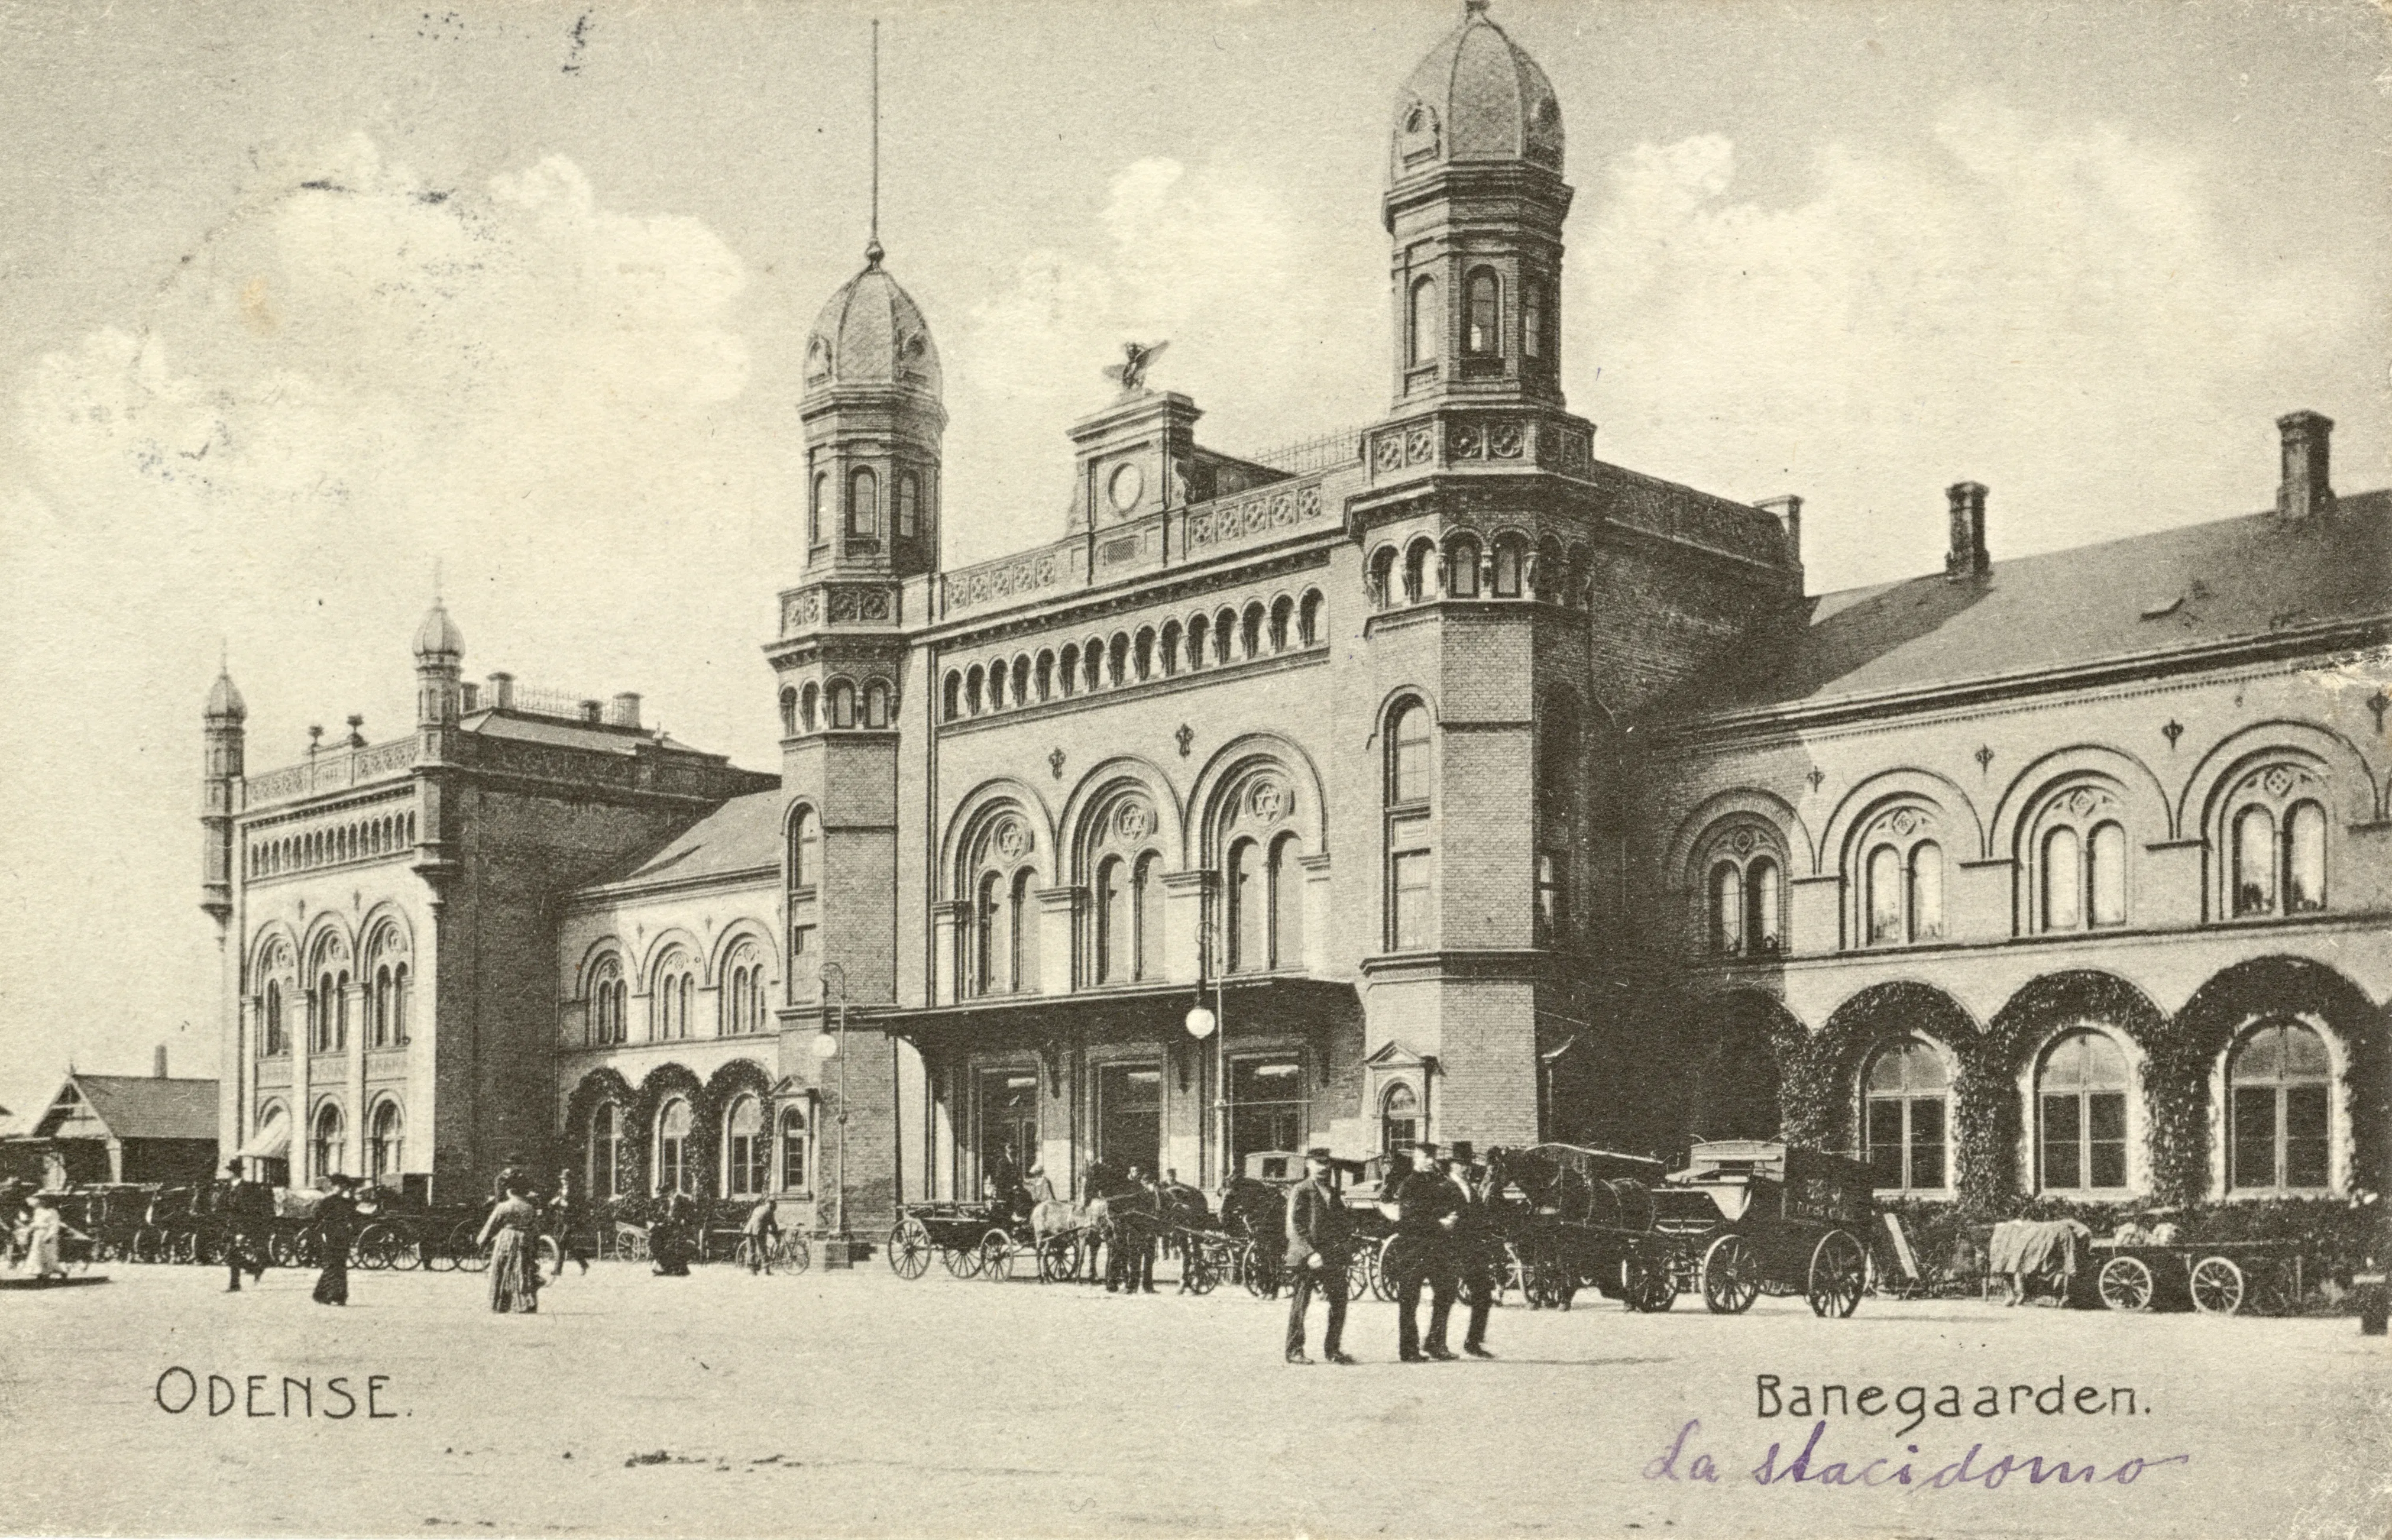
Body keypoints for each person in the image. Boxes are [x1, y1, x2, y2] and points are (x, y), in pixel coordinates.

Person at [1381, 1141, 1461, 1362]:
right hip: (1413, 1250)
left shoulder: (1440, 1183)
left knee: (1446, 1294)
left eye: (1432, 1157)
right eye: (1425, 1157)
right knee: (1409, 1300)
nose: (1430, 1161)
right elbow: (1410, 1218)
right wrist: (1440, 1223)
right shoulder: (1409, 1185)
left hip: (1438, 1249)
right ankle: (1409, 1350)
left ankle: (1436, 1343)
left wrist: (1453, 1216)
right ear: (1416, 1158)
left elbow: (1453, 1204)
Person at [1283, 1149, 1356, 1364]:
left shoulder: (1332, 1192)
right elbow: (1294, 1226)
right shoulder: (1301, 1190)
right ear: (1309, 1165)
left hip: (1330, 1256)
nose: (1323, 1168)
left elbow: (1340, 1223)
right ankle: (1294, 1350)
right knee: (1301, 1303)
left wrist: (1345, 1244)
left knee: (1340, 1300)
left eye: (1326, 1164)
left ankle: (1333, 1350)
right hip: (1306, 1256)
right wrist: (1310, 1253)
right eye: (1318, 1163)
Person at [1443, 1143, 1497, 1358]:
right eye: (1461, 1164)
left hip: (1471, 1251)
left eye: (1468, 1164)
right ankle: (1436, 1343)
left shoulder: (1471, 1189)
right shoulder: (1445, 1187)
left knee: (1483, 1294)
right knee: (1445, 1297)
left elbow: (1480, 1216)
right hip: (1451, 1249)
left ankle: (1473, 1342)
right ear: (1452, 1166)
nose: (1466, 1168)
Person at [477, 1181, 543, 1313]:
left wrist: (482, 1241)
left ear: (509, 1192)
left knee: (503, 1269)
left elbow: (492, 1225)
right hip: (525, 1239)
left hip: (507, 1238)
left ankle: (501, 1303)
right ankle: (524, 1304)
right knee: (523, 1270)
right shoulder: (529, 1208)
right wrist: (535, 1244)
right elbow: (535, 1228)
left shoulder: (504, 1206)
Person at [221, 1160, 271, 1292]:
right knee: (231, 1255)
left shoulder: (246, 1188)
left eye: (230, 1171)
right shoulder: (228, 1187)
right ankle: (253, 1270)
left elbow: (249, 1210)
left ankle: (238, 1282)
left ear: (234, 1172)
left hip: (240, 1225)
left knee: (232, 1254)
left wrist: (242, 1231)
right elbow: (222, 1204)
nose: (228, 1174)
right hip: (230, 1224)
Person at [1107, 1165, 1158, 1294]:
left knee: (1146, 1257)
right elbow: (1114, 1209)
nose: (1147, 1185)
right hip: (1123, 1228)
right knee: (1120, 1254)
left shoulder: (1149, 1194)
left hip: (1142, 1229)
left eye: (1149, 1183)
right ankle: (1114, 1284)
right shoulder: (1126, 1191)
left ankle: (1145, 1286)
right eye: (1146, 1182)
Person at [310, 1176, 359, 1306]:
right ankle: (327, 1295)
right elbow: (317, 1217)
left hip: (343, 1235)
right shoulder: (327, 1200)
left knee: (341, 1265)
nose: (342, 1189)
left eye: (344, 1187)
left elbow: (353, 1210)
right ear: (334, 1186)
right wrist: (320, 1232)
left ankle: (338, 1296)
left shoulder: (345, 1201)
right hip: (330, 1234)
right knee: (332, 1265)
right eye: (340, 1186)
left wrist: (353, 1194)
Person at [21, 1195, 86, 1280]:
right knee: (37, 1254)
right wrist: (31, 1228)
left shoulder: (53, 1212)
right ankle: (40, 1271)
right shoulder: (38, 1211)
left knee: (49, 1254)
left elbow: (54, 1225)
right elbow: (36, 1223)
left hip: (48, 1234)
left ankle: (57, 1271)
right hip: (38, 1234)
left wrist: (50, 1235)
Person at [548, 1169, 589, 1279]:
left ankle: (558, 1270)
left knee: (562, 1243)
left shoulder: (575, 1192)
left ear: (571, 1180)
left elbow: (580, 1207)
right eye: (563, 1179)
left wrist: (568, 1205)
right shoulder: (560, 1191)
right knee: (568, 1246)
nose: (565, 1181)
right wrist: (553, 1202)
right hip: (561, 1221)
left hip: (571, 1221)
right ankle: (583, 1263)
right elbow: (550, 1204)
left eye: (567, 1179)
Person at [652, 1190, 694, 1276]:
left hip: (676, 1230)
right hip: (670, 1228)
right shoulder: (668, 1205)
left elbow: (679, 1219)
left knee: (668, 1243)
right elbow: (667, 1217)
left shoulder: (679, 1206)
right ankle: (662, 1267)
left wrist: (672, 1221)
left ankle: (669, 1268)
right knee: (659, 1239)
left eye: (671, 1197)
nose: (670, 1199)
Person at [742, 1198, 781, 1274]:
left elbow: (756, 1219)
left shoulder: (758, 1208)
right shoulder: (769, 1212)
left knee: (751, 1249)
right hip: (759, 1232)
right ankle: (767, 1270)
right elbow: (773, 1225)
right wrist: (777, 1236)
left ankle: (753, 1270)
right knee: (763, 1250)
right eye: (774, 1206)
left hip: (749, 1230)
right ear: (772, 1205)